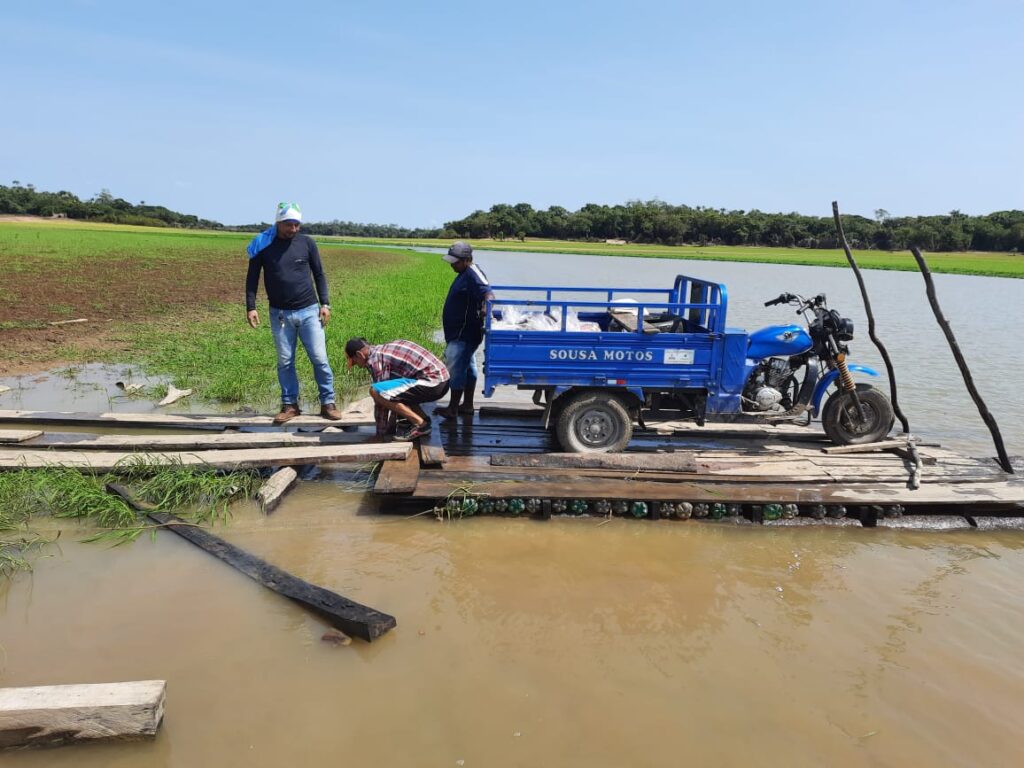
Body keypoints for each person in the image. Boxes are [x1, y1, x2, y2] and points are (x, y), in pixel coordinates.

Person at [245, 202, 342, 424]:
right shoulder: (262, 245)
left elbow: (319, 274)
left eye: (297, 224)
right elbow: (252, 279)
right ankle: (290, 405)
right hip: (279, 314)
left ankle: (328, 403)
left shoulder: (307, 243)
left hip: (309, 311)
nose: (294, 229)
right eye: (289, 225)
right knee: (285, 361)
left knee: (319, 358)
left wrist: (325, 304)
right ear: (278, 222)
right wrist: (251, 306)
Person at [344, 337, 449, 441]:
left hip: (433, 382)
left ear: (359, 354)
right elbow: (394, 393)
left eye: (355, 362)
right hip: (442, 381)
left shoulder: (375, 361)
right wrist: (391, 423)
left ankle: (421, 424)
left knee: (375, 391)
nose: (357, 365)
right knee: (394, 388)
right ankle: (423, 418)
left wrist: (380, 435)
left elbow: (381, 399)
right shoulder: (381, 351)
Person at [435, 241, 493, 420]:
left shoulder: (472, 272)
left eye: (456, 261)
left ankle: (452, 408)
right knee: (468, 367)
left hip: (464, 333)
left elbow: (487, 291)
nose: (452, 264)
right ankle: (467, 405)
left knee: (456, 369)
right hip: (460, 333)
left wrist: (486, 306)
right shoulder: (464, 273)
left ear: (467, 260)